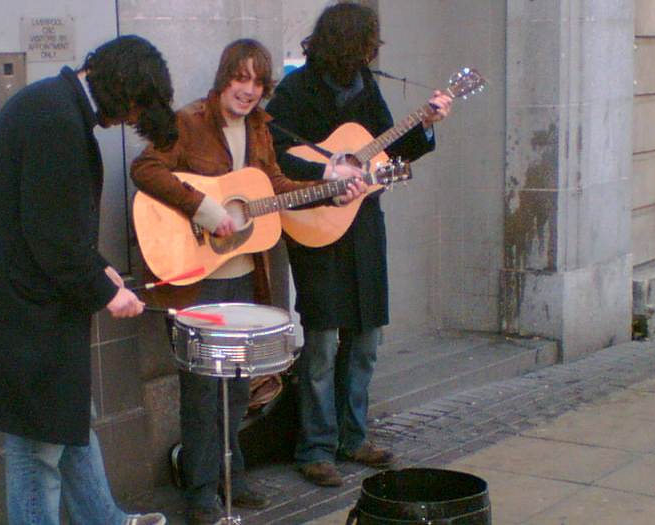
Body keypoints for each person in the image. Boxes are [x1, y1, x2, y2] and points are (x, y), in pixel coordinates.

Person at [0, 35, 178, 525]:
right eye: (132, 110)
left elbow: (50, 225)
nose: (128, 121)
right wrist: (109, 293)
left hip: (26, 301)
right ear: (121, 91)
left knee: (67, 423)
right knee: (38, 449)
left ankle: (106, 520)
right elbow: (54, 241)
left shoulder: (54, 105)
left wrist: (100, 269)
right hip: (19, 313)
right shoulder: (56, 120)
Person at [130, 38, 364, 524]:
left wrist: (331, 193)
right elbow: (145, 168)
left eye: (258, 81)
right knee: (200, 389)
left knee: (239, 385)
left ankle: (230, 476)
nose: (249, 90)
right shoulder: (190, 121)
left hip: (243, 275)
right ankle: (199, 493)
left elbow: (273, 190)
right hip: (198, 278)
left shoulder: (260, 129)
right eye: (241, 78)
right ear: (224, 78)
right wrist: (205, 207)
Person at [264, 2, 453, 487]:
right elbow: (273, 154)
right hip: (317, 228)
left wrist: (426, 123)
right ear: (348, 42)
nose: (374, 49)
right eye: (368, 40)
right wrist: (327, 173)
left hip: (364, 227)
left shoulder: (366, 86)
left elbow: (396, 148)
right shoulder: (295, 90)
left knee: (366, 339)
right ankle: (316, 448)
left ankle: (355, 436)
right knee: (323, 343)